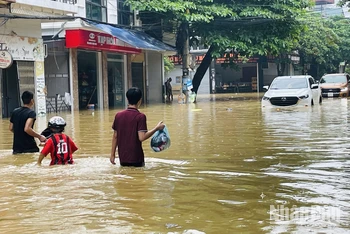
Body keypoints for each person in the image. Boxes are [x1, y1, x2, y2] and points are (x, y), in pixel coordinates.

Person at [110, 87, 165, 167]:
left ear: (127, 99)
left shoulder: (118, 115)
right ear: (140, 100)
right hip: (136, 158)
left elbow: (115, 136)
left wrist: (112, 155)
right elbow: (142, 137)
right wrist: (156, 128)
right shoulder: (140, 117)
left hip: (123, 158)